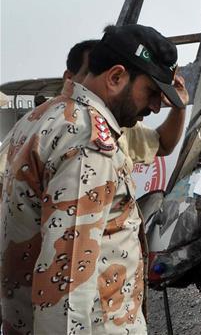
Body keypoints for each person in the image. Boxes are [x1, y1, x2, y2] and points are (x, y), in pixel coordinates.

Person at [1, 24, 184, 334]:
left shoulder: (42, 118)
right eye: (151, 93)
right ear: (115, 78)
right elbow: (67, 281)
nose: (155, 107)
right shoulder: (88, 143)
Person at [63, 38, 189, 173]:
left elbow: (162, 145)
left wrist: (178, 106)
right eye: (91, 72)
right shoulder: (79, 131)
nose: (97, 78)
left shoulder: (114, 123)